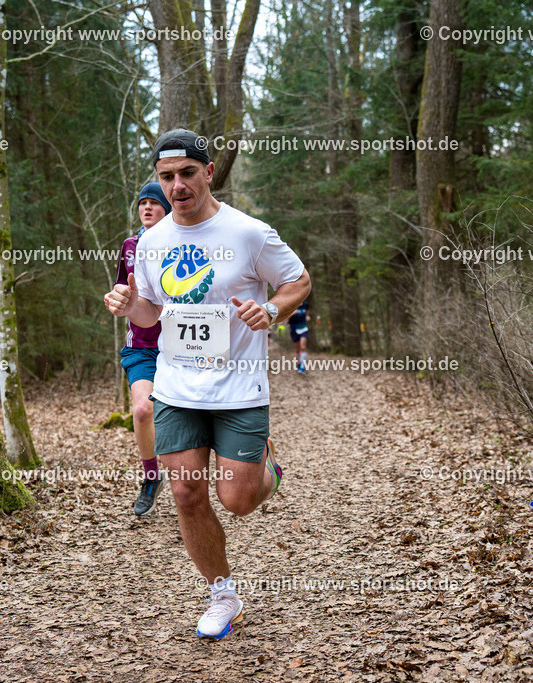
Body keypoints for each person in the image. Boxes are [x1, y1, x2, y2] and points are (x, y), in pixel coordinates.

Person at [103, 129, 311, 640]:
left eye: (187, 173)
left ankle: (268, 469)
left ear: (208, 173)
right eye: (166, 177)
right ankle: (222, 594)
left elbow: (298, 281)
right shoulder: (151, 243)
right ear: (158, 181)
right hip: (177, 388)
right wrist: (132, 307)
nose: (178, 185)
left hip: (239, 388)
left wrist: (271, 310)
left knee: (238, 500)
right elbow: (153, 311)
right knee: (187, 494)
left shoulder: (248, 233)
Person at [115, 182, 173, 516]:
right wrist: (117, 299)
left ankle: (191, 482)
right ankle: (151, 477)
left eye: (154, 202)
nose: (147, 208)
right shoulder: (130, 245)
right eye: (142, 203)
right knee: (142, 410)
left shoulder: (184, 245)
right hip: (142, 347)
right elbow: (123, 289)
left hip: (181, 348)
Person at [288, 299, 310, 374]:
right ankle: (298, 364)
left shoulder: (305, 304)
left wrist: (307, 316)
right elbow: (286, 320)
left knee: (303, 347)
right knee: (297, 349)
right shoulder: (291, 303)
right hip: (294, 328)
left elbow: (307, 312)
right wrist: (292, 314)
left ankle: (302, 367)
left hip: (303, 327)